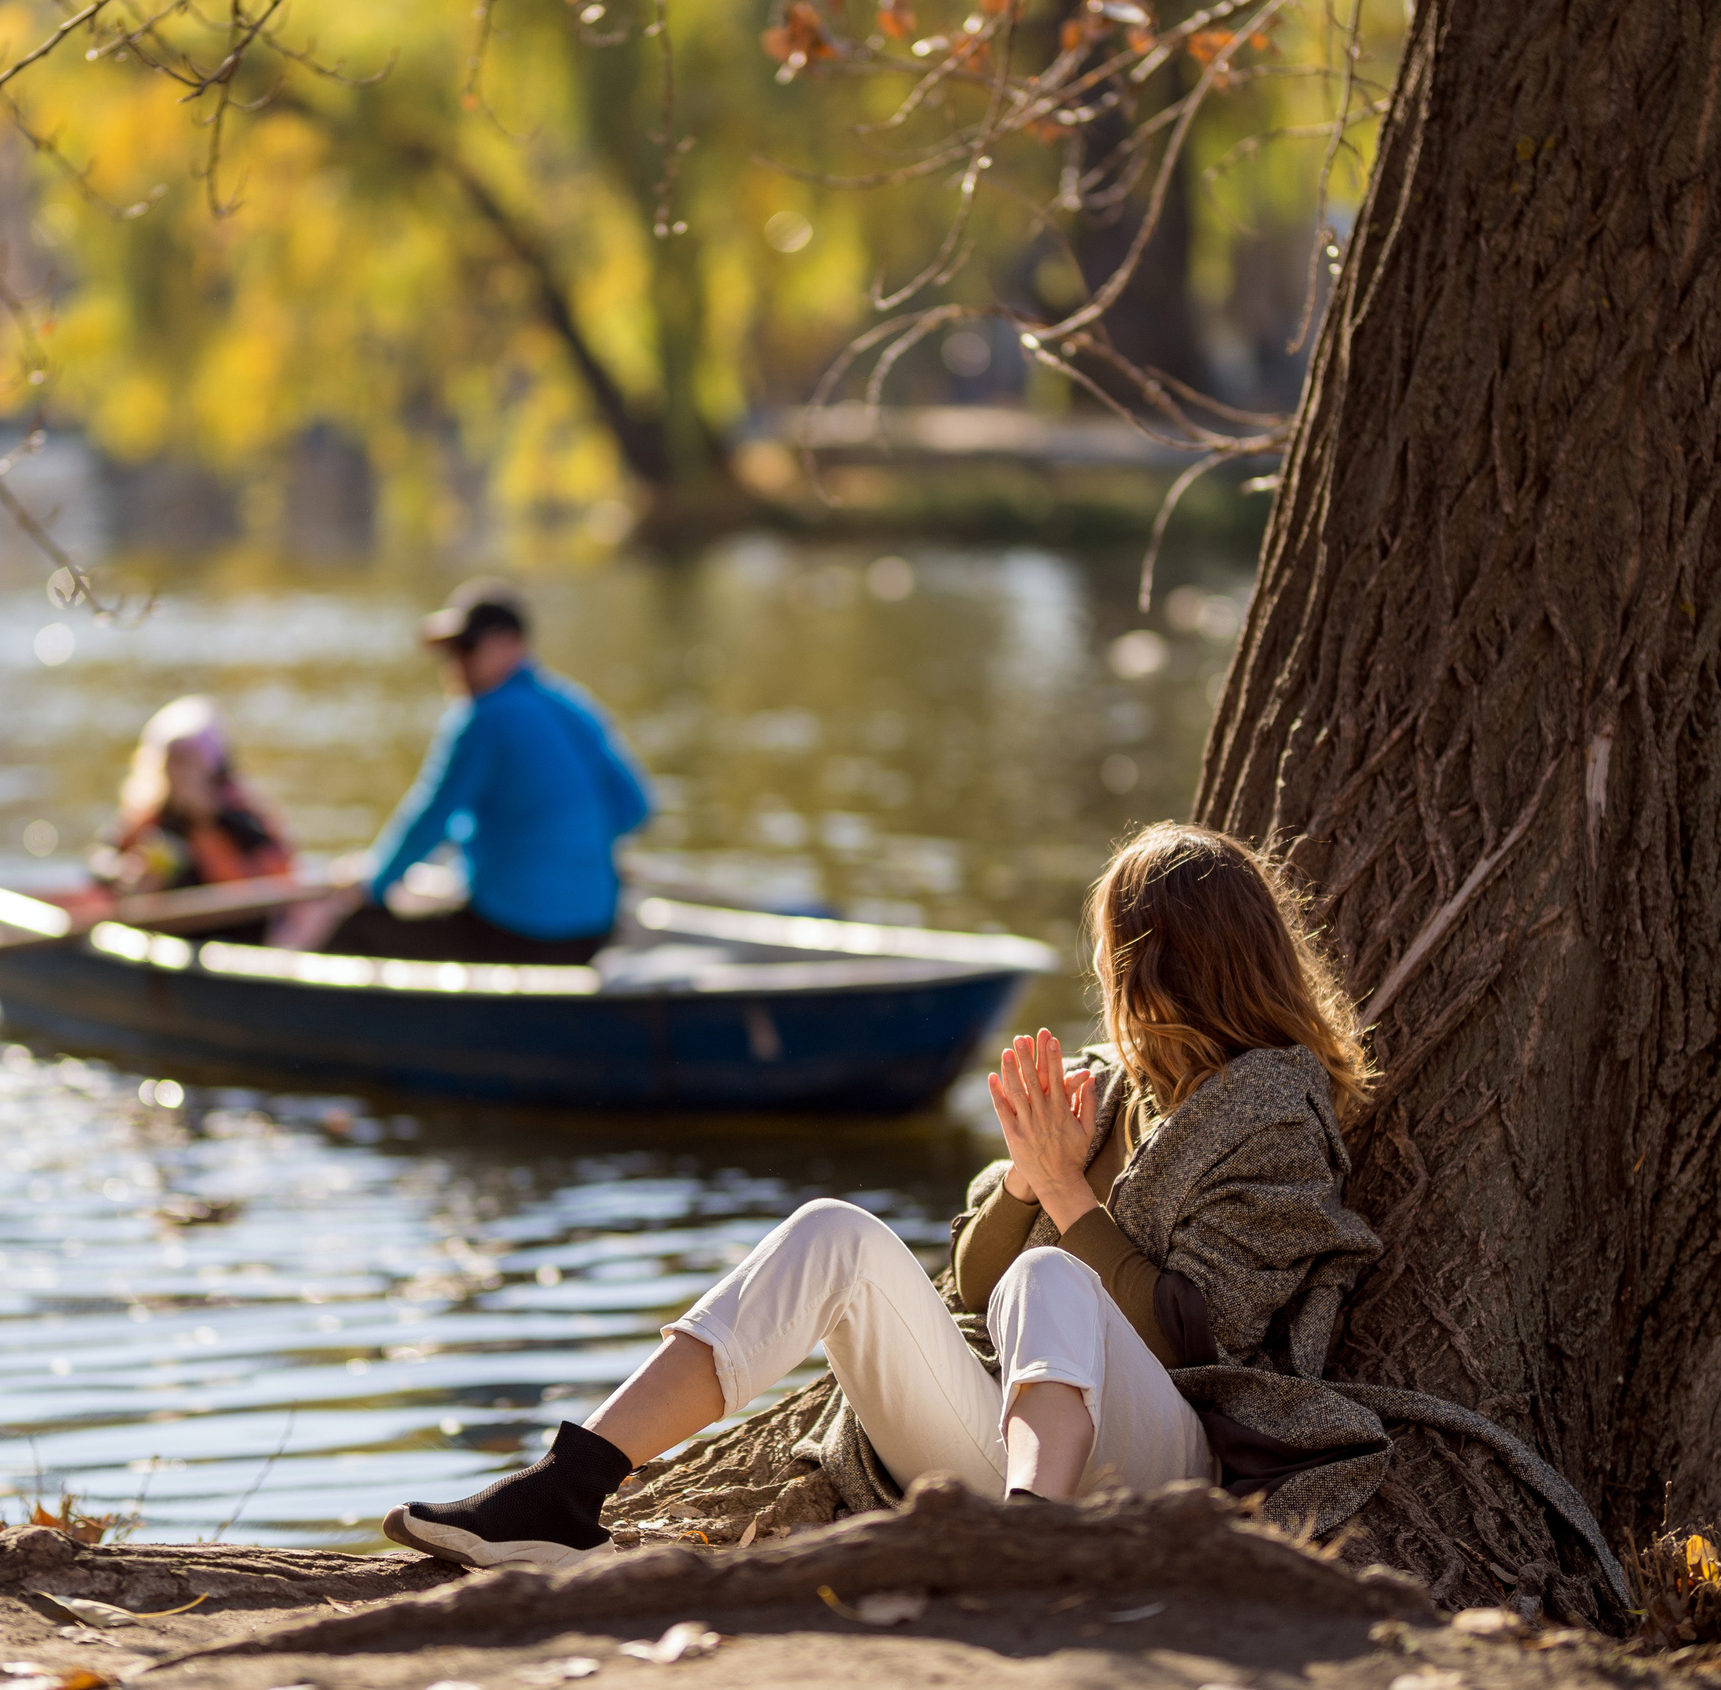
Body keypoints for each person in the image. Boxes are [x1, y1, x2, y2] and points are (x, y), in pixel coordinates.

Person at [379, 821, 1383, 1570]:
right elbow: (973, 1286)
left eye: (1120, 949)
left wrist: (1070, 1198)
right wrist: (1032, 1180)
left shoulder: (1272, 1115)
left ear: (1159, 960)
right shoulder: (1104, 1086)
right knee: (834, 1233)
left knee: (1054, 1273)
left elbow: (1197, 1341)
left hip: (1162, 1462)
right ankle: (566, 1490)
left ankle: (1026, 1553)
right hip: (998, 1457)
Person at [282, 579, 650, 966]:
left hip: (519, 933)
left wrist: (371, 886)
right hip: (595, 927)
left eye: (467, 648)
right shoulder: (571, 705)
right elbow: (635, 808)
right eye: (451, 652)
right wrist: (565, 850)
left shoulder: (483, 717)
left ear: (513, 645)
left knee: (359, 926)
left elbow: (431, 819)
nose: (454, 665)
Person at [95, 696, 294, 895]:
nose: (178, 772)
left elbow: (279, 871)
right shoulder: (149, 812)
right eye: (172, 760)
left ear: (210, 766)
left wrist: (204, 823)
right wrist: (122, 872)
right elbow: (102, 856)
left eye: (187, 761)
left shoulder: (241, 813)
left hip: (238, 918)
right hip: (172, 915)